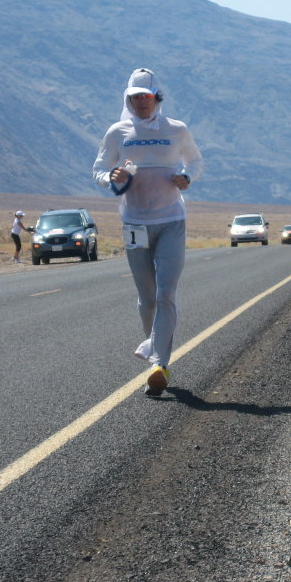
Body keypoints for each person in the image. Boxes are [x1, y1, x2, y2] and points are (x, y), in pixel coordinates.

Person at [93, 68, 204, 397]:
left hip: (171, 220)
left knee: (166, 292)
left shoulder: (176, 130)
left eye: (145, 96)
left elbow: (196, 162)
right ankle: (155, 350)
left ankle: (160, 363)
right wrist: (109, 178)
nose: (141, 102)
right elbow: (98, 169)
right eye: (134, 97)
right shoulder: (118, 132)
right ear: (128, 99)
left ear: (157, 97)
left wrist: (187, 177)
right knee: (147, 298)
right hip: (134, 224)